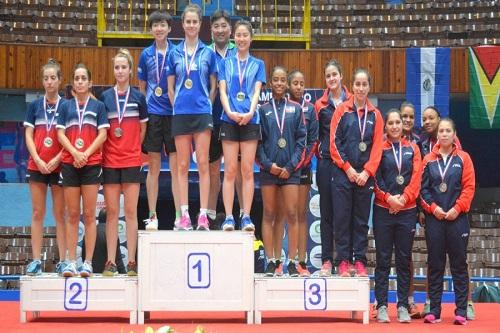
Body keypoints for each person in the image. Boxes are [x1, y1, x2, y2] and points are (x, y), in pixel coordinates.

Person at [167, 4, 217, 230]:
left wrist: (206, 104)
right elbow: (170, 87)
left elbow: (213, 86)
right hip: (181, 113)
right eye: (187, 21)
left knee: (203, 163)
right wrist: (177, 106)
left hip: (202, 113)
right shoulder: (174, 52)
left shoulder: (208, 52)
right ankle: (184, 215)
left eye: (195, 21)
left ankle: (204, 215)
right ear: (183, 24)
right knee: (183, 165)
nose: (191, 25)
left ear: (200, 24)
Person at [420, 118, 475, 325]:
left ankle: (461, 310)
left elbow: (469, 188)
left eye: (447, 131)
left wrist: (456, 209)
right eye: (441, 131)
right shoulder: (428, 160)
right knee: (435, 264)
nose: (443, 134)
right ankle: (434, 310)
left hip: (457, 219)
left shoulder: (464, 158)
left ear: (454, 134)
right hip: (435, 219)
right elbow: (423, 190)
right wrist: (434, 208)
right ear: (438, 135)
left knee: (459, 265)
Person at [330, 68, 384, 277]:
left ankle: (360, 260)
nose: (361, 88)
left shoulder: (376, 115)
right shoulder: (342, 110)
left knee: (361, 220)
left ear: (369, 87)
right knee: (342, 219)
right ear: (351, 86)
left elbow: (378, 147)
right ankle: (343, 261)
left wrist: (367, 172)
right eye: (357, 84)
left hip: (365, 176)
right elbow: (334, 144)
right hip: (344, 174)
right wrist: (348, 169)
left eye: (364, 84)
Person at [56, 63, 109, 277]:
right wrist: (76, 154)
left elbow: (103, 135)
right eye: (76, 79)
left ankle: (87, 262)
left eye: (83, 78)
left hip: (91, 163)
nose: (79, 82)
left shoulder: (98, 108)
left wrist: (85, 153)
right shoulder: (65, 107)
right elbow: (60, 135)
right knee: (72, 215)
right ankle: (70, 261)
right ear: (72, 84)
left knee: (89, 215)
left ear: (90, 83)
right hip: (70, 164)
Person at [100, 49, 148, 276]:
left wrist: (133, 148)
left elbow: (143, 128)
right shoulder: (105, 98)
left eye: (123, 67)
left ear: (130, 70)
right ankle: (110, 261)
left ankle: (131, 261)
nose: (120, 71)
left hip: (130, 160)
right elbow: (103, 131)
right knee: (111, 213)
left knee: (130, 212)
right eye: (116, 67)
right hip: (109, 161)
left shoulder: (138, 97)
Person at [373, 109, 422, 323]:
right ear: (386, 126)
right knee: (383, 260)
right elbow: (375, 176)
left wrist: (403, 199)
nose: (394, 126)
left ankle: (402, 305)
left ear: (403, 126)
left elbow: (417, 177)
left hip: (407, 211)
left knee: (403, 260)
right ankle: (382, 304)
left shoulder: (413, 148)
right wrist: (388, 198)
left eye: (397, 122)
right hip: (383, 210)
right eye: (390, 123)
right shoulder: (379, 148)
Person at [257, 66, 306, 277]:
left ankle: (292, 262)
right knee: (269, 214)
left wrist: (290, 167)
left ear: (286, 83)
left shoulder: (296, 109)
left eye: (282, 79)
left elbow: (301, 140)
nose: (278, 83)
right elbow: (258, 142)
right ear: (270, 82)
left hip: (290, 171)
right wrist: (269, 166)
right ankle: (271, 260)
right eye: (275, 79)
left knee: (292, 214)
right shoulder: (262, 110)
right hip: (269, 170)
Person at [219, 19, 265, 231]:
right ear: (233, 38)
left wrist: (250, 112)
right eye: (238, 35)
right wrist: (229, 112)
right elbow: (222, 91)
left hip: (250, 119)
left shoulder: (258, 64)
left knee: (247, 171)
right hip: (229, 119)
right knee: (229, 170)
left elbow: (256, 91)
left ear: (251, 39)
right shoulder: (225, 62)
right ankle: (229, 217)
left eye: (245, 35)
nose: (241, 39)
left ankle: (246, 216)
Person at [24, 59, 67, 275]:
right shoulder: (34, 106)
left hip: (59, 166)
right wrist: (38, 159)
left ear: (60, 80)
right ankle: (35, 261)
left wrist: (57, 159)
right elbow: (29, 135)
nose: (49, 82)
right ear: (43, 81)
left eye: (53, 78)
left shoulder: (66, 106)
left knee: (60, 214)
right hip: (37, 165)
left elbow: (68, 137)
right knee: (37, 212)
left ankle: (63, 261)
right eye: (46, 78)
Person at [273, 70, 318, 276]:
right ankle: (278, 260)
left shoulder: (310, 109)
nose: (299, 87)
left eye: (302, 83)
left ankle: (301, 261)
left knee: (300, 213)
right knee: (283, 212)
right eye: (295, 83)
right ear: (289, 86)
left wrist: (301, 162)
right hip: (285, 169)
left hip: (303, 167)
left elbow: (313, 140)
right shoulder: (282, 107)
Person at [138, 11, 178, 230]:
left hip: (173, 115)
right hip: (153, 114)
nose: (159, 29)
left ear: (169, 28)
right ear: (151, 29)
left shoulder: (177, 53)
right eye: (155, 25)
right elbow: (142, 88)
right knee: (153, 168)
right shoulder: (145, 54)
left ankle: (180, 216)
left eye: (163, 25)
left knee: (176, 169)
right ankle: (152, 216)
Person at [314, 60, 351, 277]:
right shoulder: (320, 105)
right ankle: (327, 260)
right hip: (327, 163)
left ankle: (344, 260)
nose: (332, 79)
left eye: (334, 74)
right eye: (328, 76)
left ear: (341, 76)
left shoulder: (352, 102)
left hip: (346, 165)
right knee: (326, 213)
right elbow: (317, 135)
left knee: (344, 214)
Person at [207, 9, 238, 226]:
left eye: (224, 26)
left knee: (234, 171)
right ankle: (208, 215)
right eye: (216, 26)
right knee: (212, 170)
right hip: (211, 119)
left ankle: (235, 214)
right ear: (211, 30)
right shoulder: (204, 53)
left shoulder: (240, 52)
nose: (220, 30)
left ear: (231, 29)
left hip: (234, 119)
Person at [81, 208, 126, 274]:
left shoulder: (88, 235)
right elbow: (118, 259)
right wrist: (124, 274)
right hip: (108, 273)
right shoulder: (112, 235)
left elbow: (84, 256)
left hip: (90, 273)